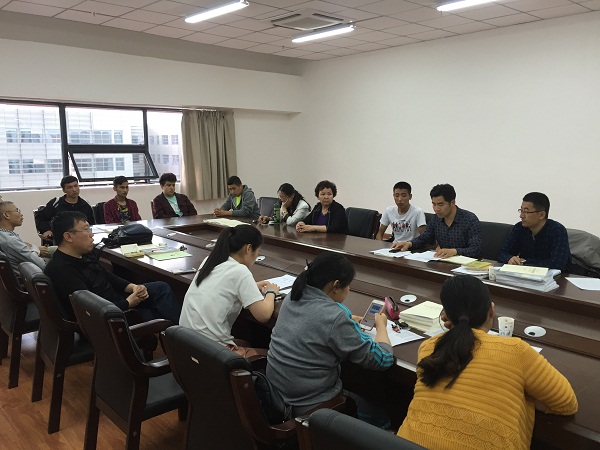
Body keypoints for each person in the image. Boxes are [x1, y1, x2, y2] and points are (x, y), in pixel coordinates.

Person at [397, 275, 577, 449]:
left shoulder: (429, 347)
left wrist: (456, 333)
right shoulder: (516, 350)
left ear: (446, 316)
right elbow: (567, 403)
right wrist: (523, 395)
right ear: (491, 310)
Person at [267, 252, 394, 424]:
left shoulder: (293, 296)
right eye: (348, 285)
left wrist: (346, 320)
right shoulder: (334, 317)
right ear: (335, 285)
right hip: (311, 408)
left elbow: (317, 319)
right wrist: (381, 327)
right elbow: (382, 359)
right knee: (384, 418)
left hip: (277, 397)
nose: (349, 290)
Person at [44, 211, 181, 324]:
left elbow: (106, 275)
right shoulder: (62, 270)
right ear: (68, 236)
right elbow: (90, 308)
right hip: (110, 318)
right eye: (86, 230)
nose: (91, 234)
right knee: (164, 314)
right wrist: (128, 303)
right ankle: (179, 338)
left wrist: (133, 287)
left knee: (161, 288)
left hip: (115, 300)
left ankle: (177, 333)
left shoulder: (83, 254)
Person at [180, 225, 279, 357]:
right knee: (271, 355)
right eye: (258, 252)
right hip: (209, 352)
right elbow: (264, 315)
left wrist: (252, 286)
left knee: (245, 342)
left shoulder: (210, 261)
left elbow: (222, 285)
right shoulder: (240, 271)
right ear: (248, 248)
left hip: (185, 342)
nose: (257, 256)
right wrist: (271, 292)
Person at [393, 184, 482, 258]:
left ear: (452, 203)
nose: (436, 209)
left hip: (466, 266)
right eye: (434, 204)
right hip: (443, 262)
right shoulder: (436, 219)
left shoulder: (469, 219)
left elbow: (476, 249)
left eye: (440, 204)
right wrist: (409, 244)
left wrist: (455, 251)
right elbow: (424, 238)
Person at [498, 192, 571, 271]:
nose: (521, 216)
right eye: (521, 210)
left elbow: (557, 264)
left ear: (541, 215)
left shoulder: (557, 231)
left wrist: (525, 262)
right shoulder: (519, 228)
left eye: (526, 212)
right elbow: (502, 253)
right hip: (525, 274)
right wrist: (510, 258)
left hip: (557, 277)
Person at [35, 175, 95, 240]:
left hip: (80, 238)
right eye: (69, 187)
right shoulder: (55, 203)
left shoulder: (85, 204)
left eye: (76, 186)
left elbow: (91, 224)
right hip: (60, 238)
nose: (74, 190)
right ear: (64, 190)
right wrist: (46, 230)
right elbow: (40, 218)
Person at [0, 201, 52, 274]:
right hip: (34, 274)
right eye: (17, 211)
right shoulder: (11, 241)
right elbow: (42, 265)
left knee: (55, 250)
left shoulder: (4, 235)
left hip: (28, 268)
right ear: (6, 215)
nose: (21, 214)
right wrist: (35, 249)